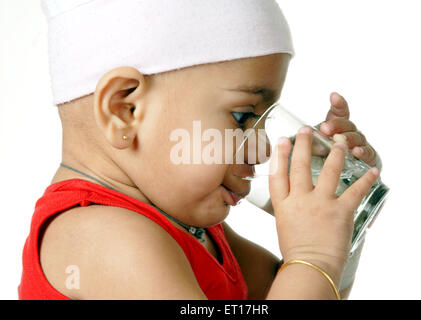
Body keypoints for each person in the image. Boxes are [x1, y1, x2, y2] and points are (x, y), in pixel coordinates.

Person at [18, 0, 381, 300]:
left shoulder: (193, 231)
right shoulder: (105, 237)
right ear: (124, 109)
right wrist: (312, 255)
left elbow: (293, 291)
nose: (262, 150)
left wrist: (338, 230)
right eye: (242, 117)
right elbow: (306, 278)